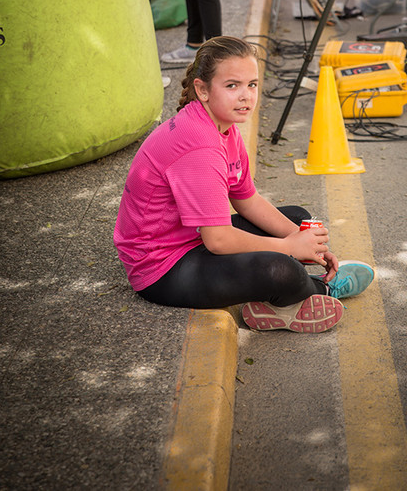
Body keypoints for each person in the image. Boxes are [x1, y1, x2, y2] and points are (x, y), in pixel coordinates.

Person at [114, 36, 375, 332]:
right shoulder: (200, 146)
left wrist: (301, 241)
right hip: (163, 269)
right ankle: (319, 291)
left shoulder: (223, 125)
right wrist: (289, 248)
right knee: (280, 268)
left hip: (193, 240)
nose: (245, 96)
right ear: (202, 90)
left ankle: (283, 303)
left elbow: (247, 199)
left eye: (251, 84)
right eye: (232, 85)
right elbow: (219, 240)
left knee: (299, 220)